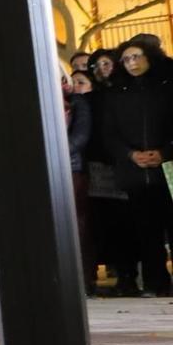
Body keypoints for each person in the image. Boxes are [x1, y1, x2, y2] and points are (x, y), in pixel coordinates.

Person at [101, 37, 172, 296]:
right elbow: (109, 134)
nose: (132, 63)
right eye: (127, 59)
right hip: (134, 171)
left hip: (168, 168)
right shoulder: (117, 94)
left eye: (136, 56)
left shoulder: (166, 87)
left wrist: (164, 153)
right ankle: (156, 283)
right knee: (146, 230)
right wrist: (130, 155)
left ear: (149, 57)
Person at [67, 68, 100, 292]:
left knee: (78, 223)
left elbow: (80, 134)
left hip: (72, 166)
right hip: (46, 167)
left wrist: (56, 151)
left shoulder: (77, 103)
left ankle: (84, 277)